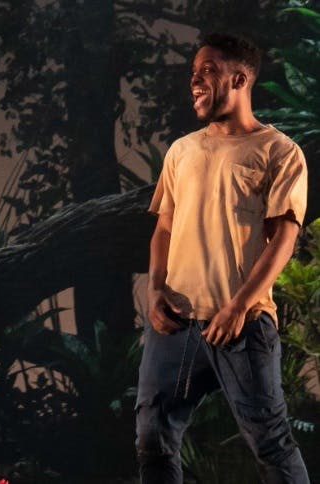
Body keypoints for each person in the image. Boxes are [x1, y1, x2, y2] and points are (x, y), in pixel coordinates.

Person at [136, 33, 310, 483]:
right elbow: (164, 230)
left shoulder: (279, 151)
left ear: (239, 79)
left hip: (242, 324)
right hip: (174, 322)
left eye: (208, 70)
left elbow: (284, 238)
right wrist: (154, 291)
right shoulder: (181, 151)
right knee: (153, 439)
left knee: (271, 444)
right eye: (194, 71)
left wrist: (239, 306)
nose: (195, 79)